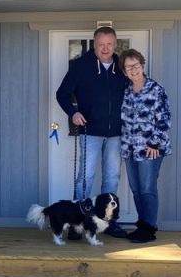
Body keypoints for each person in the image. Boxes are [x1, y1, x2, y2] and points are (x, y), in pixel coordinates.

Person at [55, 26, 129, 238]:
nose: (105, 48)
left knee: (112, 178)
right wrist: (73, 112)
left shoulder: (122, 66)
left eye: (109, 44)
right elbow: (62, 94)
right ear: (94, 44)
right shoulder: (81, 66)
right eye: (100, 44)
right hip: (90, 131)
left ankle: (109, 221)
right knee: (85, 178)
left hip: (117, 133)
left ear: (115, 44)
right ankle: (79, 223)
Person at [119, 49, 171, 243]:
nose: (133, 70)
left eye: (136, 66)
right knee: (136, 188)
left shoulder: (156, 90)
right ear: (124, 72)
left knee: (147, 188)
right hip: (129, 148)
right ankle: (142, 224)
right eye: (129, 67)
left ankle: (149, 228)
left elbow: (164, 119)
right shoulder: (126, 91)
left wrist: (154, 143)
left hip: (150, 148)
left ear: (142, 66)